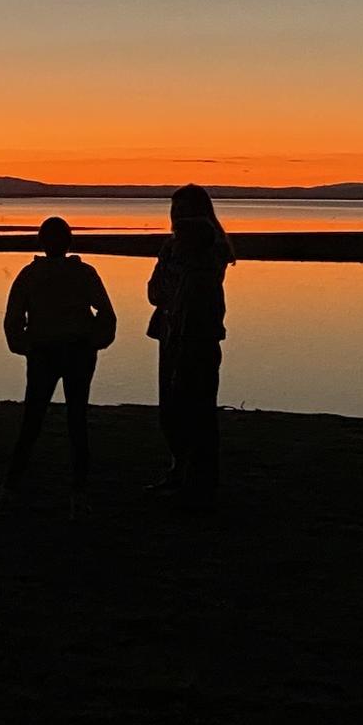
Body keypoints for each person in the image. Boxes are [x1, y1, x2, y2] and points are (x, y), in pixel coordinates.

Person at [0, 217, 116, 519]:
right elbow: (106, 314)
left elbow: (13, 318)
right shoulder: (82, 273)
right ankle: (76, 494)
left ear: (41, 242)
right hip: (67, 352)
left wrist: (23, 344)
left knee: (35, 421)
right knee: (74, 420)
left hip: (51, 352)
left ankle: (11, 489)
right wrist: (95, 340)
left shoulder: (32, 274)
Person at [145, 183, 234, 509]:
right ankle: (179, 469)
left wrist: (171, 293)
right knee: (170, 408)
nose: (177, 217)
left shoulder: (210, 250)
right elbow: (155, 290)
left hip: (198, 335)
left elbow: (187, 292)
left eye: (184, 210)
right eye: (175, 210)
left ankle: (199, 480)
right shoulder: (171, 248)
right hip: (169, 333)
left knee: (197, 408)